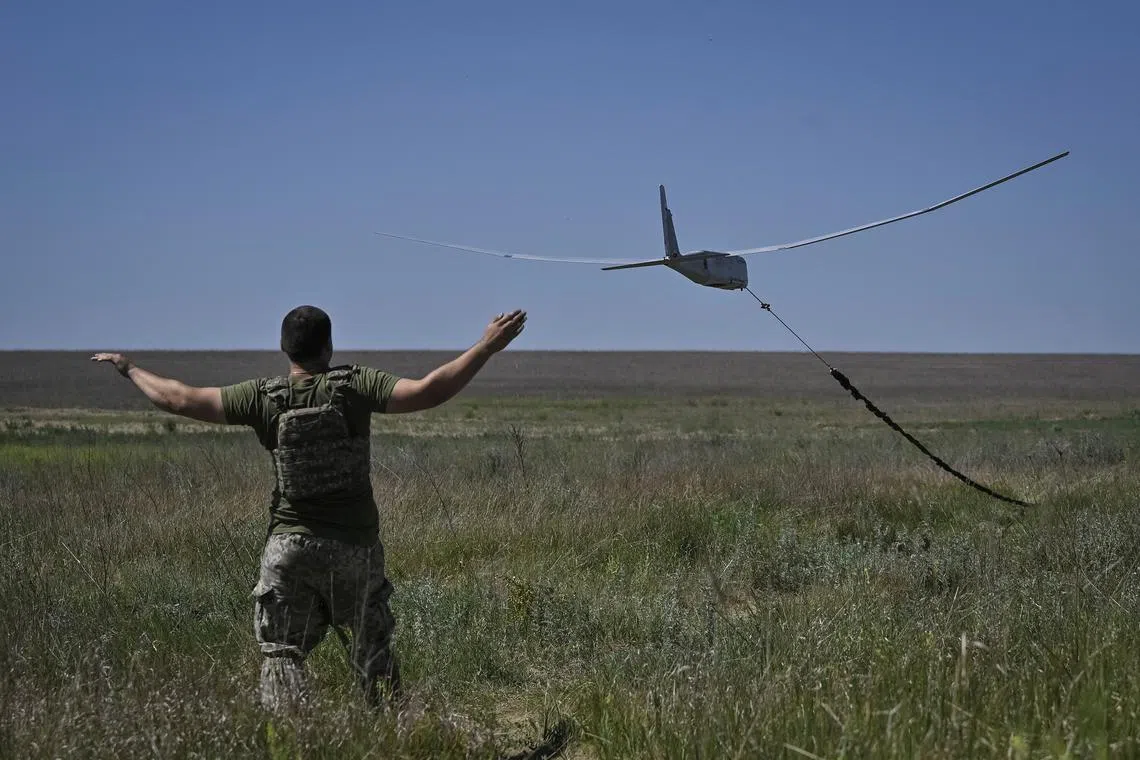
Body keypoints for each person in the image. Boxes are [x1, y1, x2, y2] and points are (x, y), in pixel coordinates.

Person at [91, 305, 527, 712]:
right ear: (328, 348)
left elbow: (178, 399)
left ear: (285, 349)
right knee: (371, 647)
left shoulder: (262, 396)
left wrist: (130, 369)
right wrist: (486, 346)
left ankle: (293, 743)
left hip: (288, 550)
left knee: (282, 653)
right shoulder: (355, 385)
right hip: (354, 549)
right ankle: (390, 738)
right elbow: (429, 390)